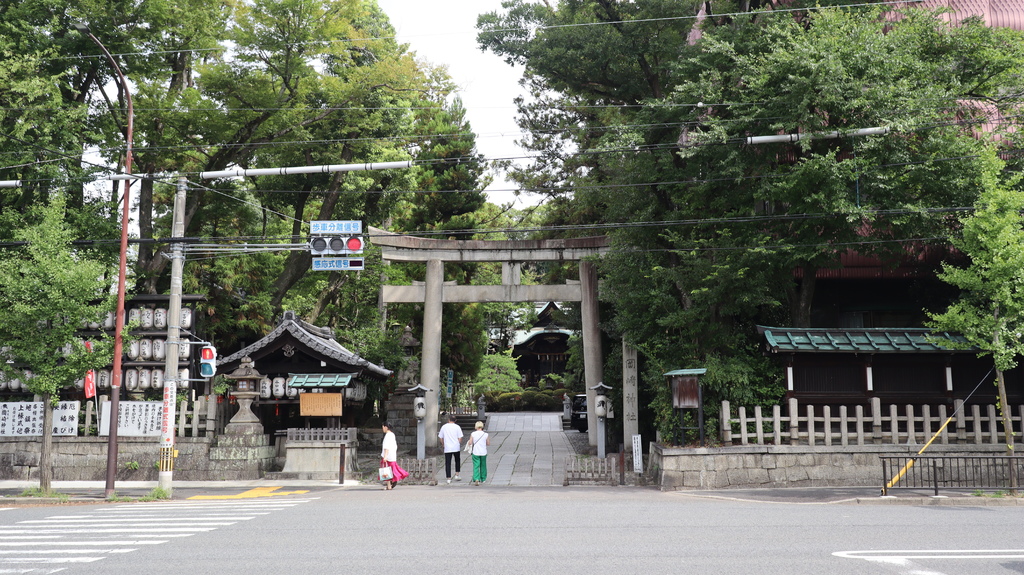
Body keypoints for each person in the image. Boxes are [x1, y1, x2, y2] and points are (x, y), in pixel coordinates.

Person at [380, 422, 409, 490]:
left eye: (383, 427)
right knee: (392, 470)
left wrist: (385, 456)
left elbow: (386, 447)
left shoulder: (387, 436)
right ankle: (390, 484)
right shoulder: (392, 434)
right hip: (392, 455)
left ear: (386, 427)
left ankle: (390, 484)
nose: (383, 429)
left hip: (388, 456)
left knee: (386, 471)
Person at [438, 414, 463, 484]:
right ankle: (457, 474)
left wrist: (443, 444)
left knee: (448, 462)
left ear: (448, 420)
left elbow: (440, 437)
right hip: (456, 447)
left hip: (447, 447)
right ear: (455, 420)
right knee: (457, 460)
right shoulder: (457, 427)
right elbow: (460, 437)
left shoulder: (444, 427)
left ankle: (448, 478)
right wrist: (458, 443)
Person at [467, 420, 490, 486]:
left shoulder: (473, 434)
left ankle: (476, 478)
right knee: (483, 465)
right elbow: (488, 443)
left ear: (476, 426)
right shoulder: (485, 434)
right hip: (483, 452)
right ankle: (483, 478)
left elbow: (470, 443)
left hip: (475, 452)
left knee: (476, 466)